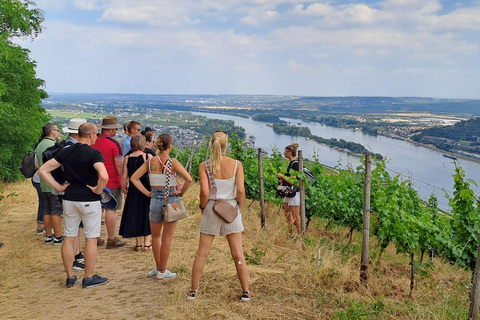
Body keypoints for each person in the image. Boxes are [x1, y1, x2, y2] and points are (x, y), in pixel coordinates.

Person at [38, 123, 109, 288]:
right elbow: (103, 176)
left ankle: (70, 276)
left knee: (69, 237)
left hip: (69, 199)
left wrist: (59, 187)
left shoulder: (66, 151)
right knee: (91, 239)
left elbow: (42, 170)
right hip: (89, 200)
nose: (97, 137)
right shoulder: (94, 154)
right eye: (96, 134)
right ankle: (89, 277)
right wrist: (98, 190)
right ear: (90, 135)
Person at [187, 131, 252, 301]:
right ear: (226, 145)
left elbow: (204, 191)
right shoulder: (237, 164)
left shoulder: (204, 165)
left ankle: (193, 290)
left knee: (202, 253)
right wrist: (240, 206)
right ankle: (246, 291)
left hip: (211, 207)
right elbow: (240, 190)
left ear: (211, 144)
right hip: (231, 209)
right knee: (238, 254)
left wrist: (203, 206)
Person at [130, 133, 192, 281]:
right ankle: (163, 270)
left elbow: (134, 178)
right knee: (167, 239)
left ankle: (158, 269)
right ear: (170, 146)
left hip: (154, 200)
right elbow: (189, 179)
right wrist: (181, 192)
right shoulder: (173, 162)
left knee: (156, 237)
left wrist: (147, 193)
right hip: (171, 199)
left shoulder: (150, 162)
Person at [91, 116, 126, 249]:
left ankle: (96, 238)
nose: (116, 131)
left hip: (95, 181)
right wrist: (123, 180)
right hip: (111, 182)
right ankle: (111, 239)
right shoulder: (114, 144)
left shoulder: (94, 141)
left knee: (97, 210)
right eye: (115, 129)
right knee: (111, 209)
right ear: (111, 130)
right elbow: (119, 165)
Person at [119, 135, 153, 251]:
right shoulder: (147, 156)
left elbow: (124, 176)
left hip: (133, 190)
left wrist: (124, 189)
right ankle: (147, 243)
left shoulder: (127, 158)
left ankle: (138, 244)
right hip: (146, 189)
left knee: (136, 215)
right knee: (147, 214)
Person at [35, 123, 63, 245]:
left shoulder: (40, 144)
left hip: (43, 182)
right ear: (52, 131)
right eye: (57, 130)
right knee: (56, 211)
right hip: (53, 182)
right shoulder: (52, 145)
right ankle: (58, 236)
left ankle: (48, 236)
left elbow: (37, 165)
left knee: (47, 210)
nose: (58, 132)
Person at [276, 143, 301, 237]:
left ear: (290, 152)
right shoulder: (291, 164)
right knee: (287, 213)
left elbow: (293, 180)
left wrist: (282, 176)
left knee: (295, 216)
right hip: (289, 192)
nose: (284, 152)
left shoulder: (295, 164)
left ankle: (301, 236)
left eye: (286, 151)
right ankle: (291, 234)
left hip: (294, 192)